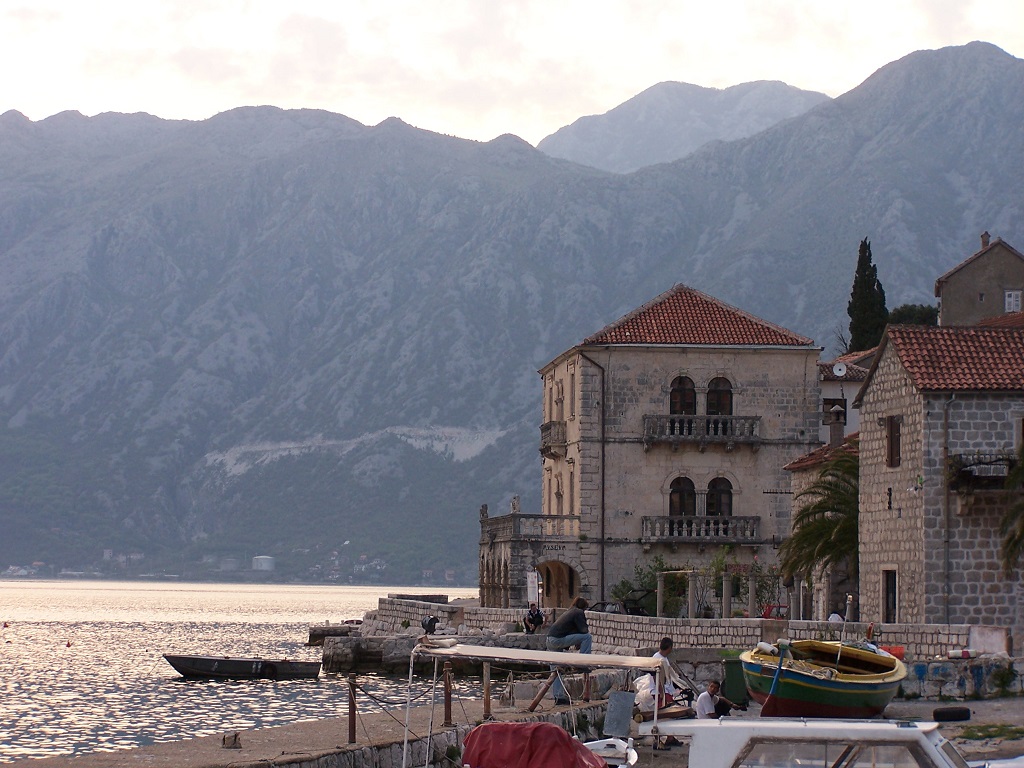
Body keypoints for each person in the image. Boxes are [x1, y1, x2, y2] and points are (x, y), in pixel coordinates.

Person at [545, 597, 592, 704]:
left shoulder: (570, 611)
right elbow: (584, 631)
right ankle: (583, 662)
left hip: (549, 640)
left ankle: (559, 697)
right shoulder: (578, 612)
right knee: (588, 637)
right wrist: (578, 642)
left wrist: (575, 641)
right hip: (557, 640)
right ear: (583, 607)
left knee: (556, 671)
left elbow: (569, 629)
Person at [652, 637, 693, 707]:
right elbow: (655, 676)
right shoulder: (657, 658)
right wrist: (661, 692)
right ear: (669, 647)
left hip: (666, 690)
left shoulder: (664, 658)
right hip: (660, 692)